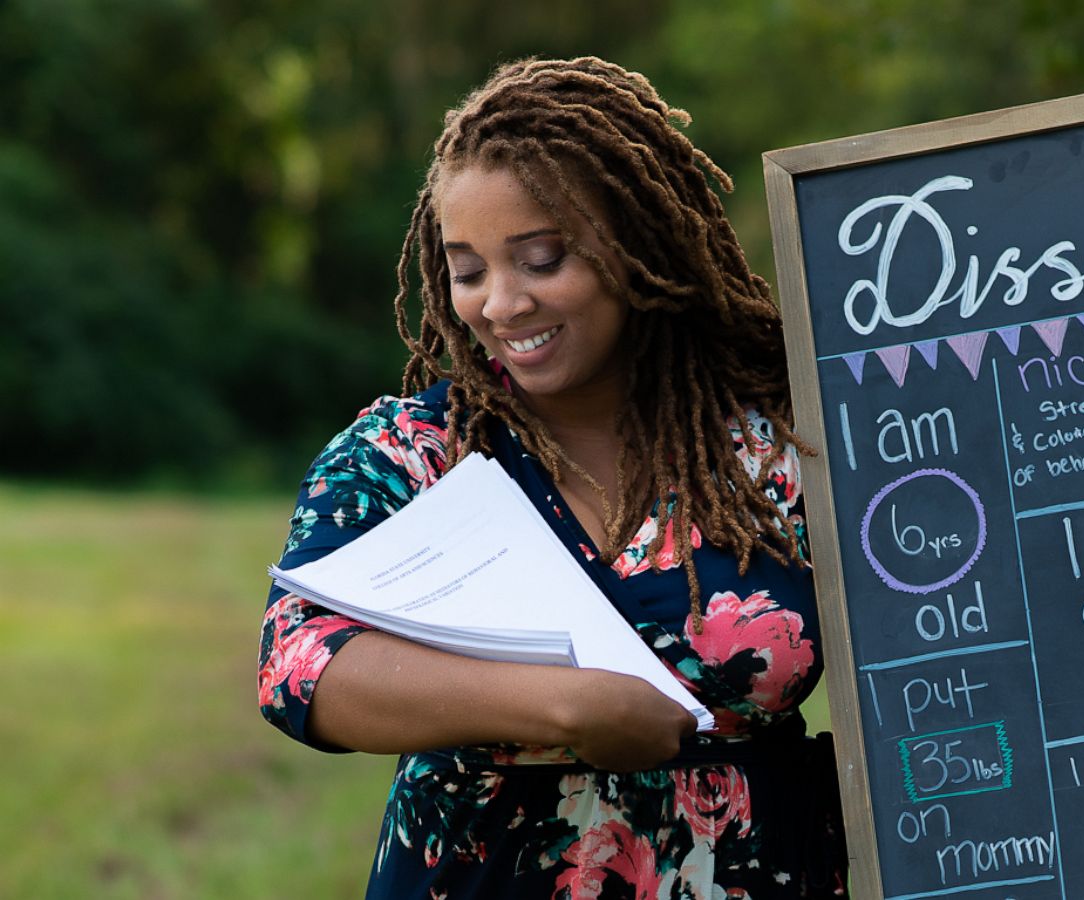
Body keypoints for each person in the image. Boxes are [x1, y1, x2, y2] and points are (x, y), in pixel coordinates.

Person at [257, 56, 847, 898]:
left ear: (638, 245)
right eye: (467, 271)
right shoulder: (411, 453)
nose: (500, 304)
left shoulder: (784, 445)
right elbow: (297, 666)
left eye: (540, 259)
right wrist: (566, 708)